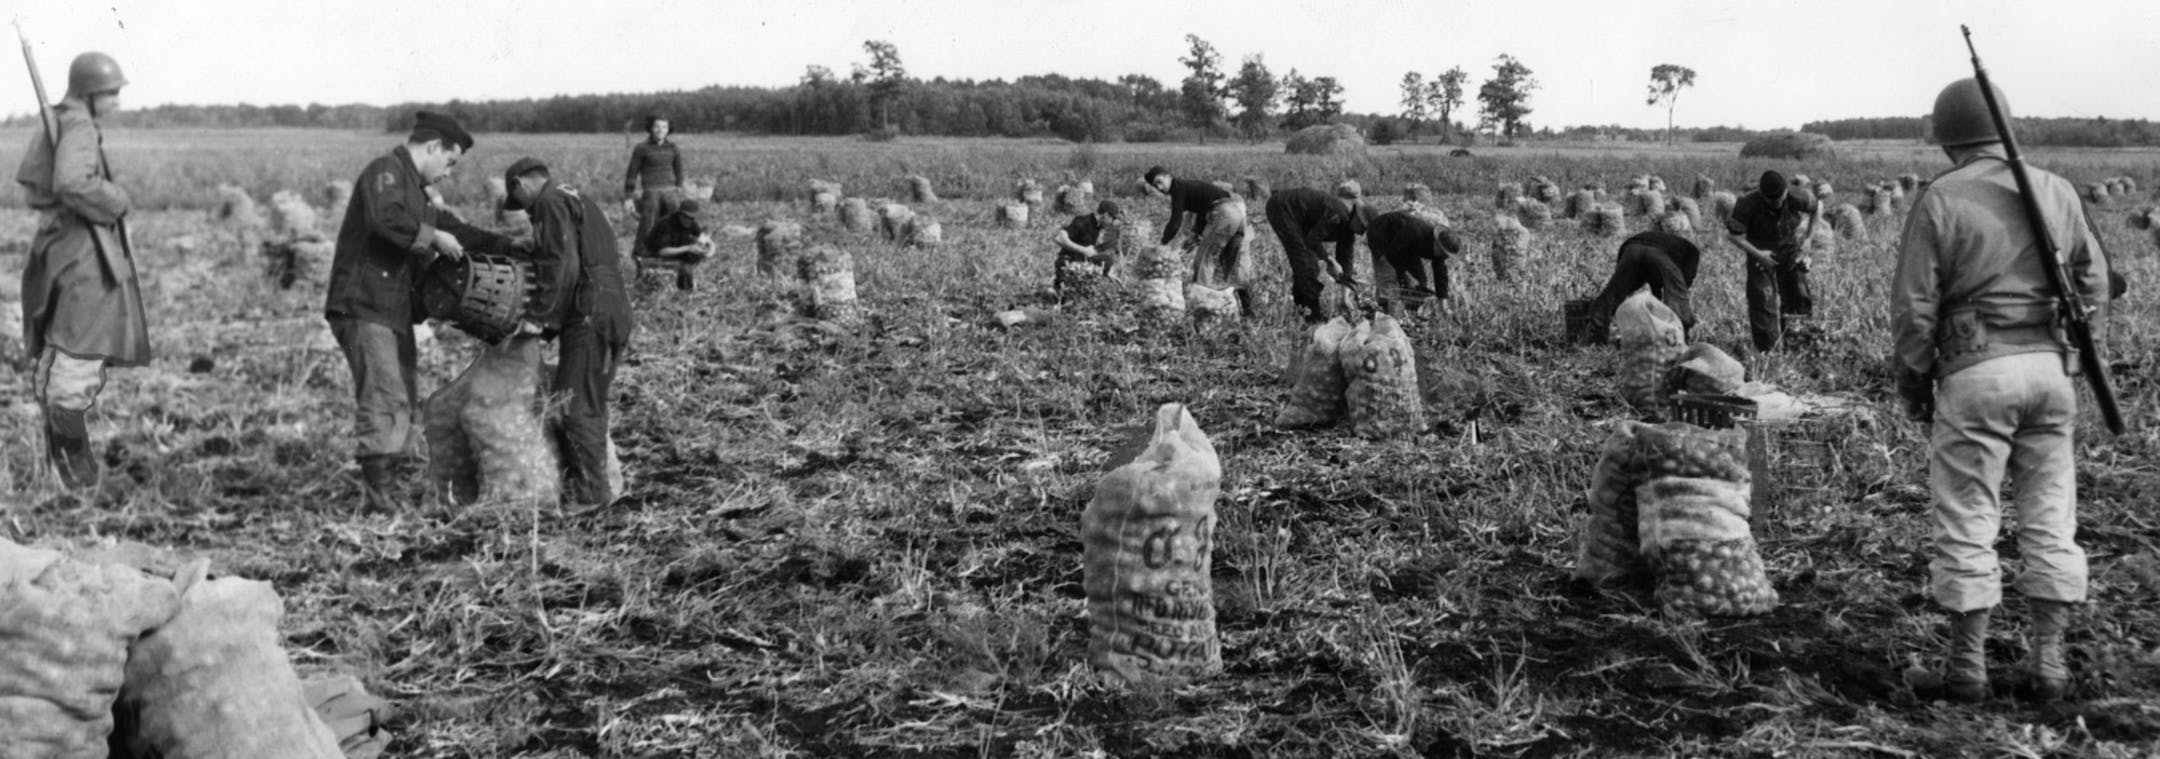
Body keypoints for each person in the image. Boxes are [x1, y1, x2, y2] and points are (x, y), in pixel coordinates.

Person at [1892, 78, 2110, 704]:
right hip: (2053, 372)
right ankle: (2050, 665)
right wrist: (2068, 340)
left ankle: (1967, 670)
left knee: (1966, 516)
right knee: (2050, 516)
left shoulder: (1941, 197)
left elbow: (1914, 309)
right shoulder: (2058, 189)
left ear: (1947, 141)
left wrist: (1914, 384)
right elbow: (2095, 284)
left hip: (1975, 371)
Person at [326, 111, 512, 510]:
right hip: (363, 304)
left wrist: (510, 247)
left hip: (390, 307)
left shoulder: (417, 190)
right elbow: (384, 219)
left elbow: (456, 231)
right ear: (432, 147)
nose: (448, 172)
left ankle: (395, 479)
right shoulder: (386, 172)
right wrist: (432, 237)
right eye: (449, 161)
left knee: (405, 394)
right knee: (385, 393)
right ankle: (378, 497)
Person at [15, 52, 143, 489]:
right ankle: (76, 477)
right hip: (80, 255)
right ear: (90, 94)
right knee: (76, 356)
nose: (117, 102)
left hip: (58, 248)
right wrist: (116, 199)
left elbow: (44, 186)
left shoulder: (61, 120)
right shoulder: (80, 125)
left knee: (60, 356)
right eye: (111, 93)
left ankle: (63, 470)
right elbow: (72, 182)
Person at [502, 157, 636, 507]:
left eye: (521, 205)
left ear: (520, 184)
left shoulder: (548, 201)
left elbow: (562, 264)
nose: (528, 216)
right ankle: (598, 488)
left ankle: (592, 498)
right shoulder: (577, 199)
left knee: (573, 407)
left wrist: (537, 317)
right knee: (587, 402)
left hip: (590, 307)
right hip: (612, 303)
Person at [1723, 169, 1823, 351]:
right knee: (1762, 299)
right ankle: (1768, 352)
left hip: (1789, 246)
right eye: (1772, 200)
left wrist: (1808, 239)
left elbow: (1817, 208)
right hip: (1760, 250)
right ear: (1763, 195)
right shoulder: (1747, 203)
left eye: (1780, 199)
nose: (1777, 203)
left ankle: (1797, 345)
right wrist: (1759, 254)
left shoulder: (1797, 196)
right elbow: (1733, 236)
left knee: (1798, 295)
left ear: (1786, 191)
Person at [1141, 166, 1249, 313]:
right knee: (1231, 263)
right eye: (1155, 186)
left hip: (1224, 212)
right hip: (1239, 211)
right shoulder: (1190, 187)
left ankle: (1202, 309)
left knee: (1204, 260)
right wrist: (1196, 236)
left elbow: (1175, 221)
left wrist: (1163, 244)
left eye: (1159, 182)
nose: (1159, 187)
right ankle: (1246, 309)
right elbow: (1203, 211)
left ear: (1168, 176)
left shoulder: (1178, 187)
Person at [1265, 184, 1367, 322]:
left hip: (1301, 220)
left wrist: (1345, 297)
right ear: (1356, 215)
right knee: (1307, 264)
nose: (1361, 230)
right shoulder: (1339, 212)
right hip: (1283, 208)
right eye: (1361, 225)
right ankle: (1312, 317)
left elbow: (1346, 261)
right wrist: (1330, 261)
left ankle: (1302, 310)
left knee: (1306, 262)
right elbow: (1313, 239)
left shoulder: (1348, 230)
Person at [1582, 231, 1704, 343]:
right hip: (1660, 254)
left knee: (1613, 292)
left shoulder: (1672, 245)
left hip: (1631, 249)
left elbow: (1652, 281)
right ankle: (1679, 339)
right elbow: (1684, 282)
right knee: (1677, 297)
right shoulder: (1693, 253)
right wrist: (1671, 301)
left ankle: (1594, 334)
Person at [1364, 208, 1462, 316]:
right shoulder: (1415, 231)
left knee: (1420, 282)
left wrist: (1443, 303)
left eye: (1446, 255)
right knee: (1389, 277)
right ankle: (1387, 315)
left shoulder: (1438, 252)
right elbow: (1392, 254)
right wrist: (1406, 275)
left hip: (1407, 247)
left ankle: (1409, 314)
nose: (1444, 257)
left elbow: (1440, 274)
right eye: (1443, 253)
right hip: (1382, 236)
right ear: (1436, 243)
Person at [624, 113, 684, 258]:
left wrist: (679, 187)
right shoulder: (641, 148)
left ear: (668, 129)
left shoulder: (673, 148)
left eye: (664, 127)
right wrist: (628, 198)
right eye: (657, 126)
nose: (660, 130)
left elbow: (679, 170)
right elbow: (632, 173)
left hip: (670, 190)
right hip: (651, 190)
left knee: (676, 219)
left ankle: (673, 250)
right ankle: (641, 250)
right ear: (650, 128)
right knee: (649, 218)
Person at [1051, 200, 1123, 297]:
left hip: (1080, 262)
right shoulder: (1082, 221)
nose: (1112, 222)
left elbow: (1091, 252)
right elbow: (1059, 238)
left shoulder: (1097, 227)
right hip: (1067, 261)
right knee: (1067, 295)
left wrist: (1107, 272)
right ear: (1106, 215)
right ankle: (1059, 287)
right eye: (1112, 218)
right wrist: (1083, 250)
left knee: (1107, 260)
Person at [639, 198, 710, 292]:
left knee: (694, 256)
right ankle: (683, 290)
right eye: (686, 217)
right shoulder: (666, 224)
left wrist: (706, 248)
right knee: (685, 266)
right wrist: (688, 248)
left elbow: (703, 237)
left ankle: (687, 286)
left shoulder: (691, 223)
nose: (688, 220)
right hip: (653, 256)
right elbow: (663, 252)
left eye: (692, 218)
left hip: (674, 254)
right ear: (680, 214)